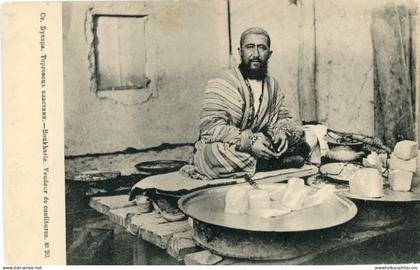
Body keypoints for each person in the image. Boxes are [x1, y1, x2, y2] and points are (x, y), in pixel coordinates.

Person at [181, 27, 309, 180]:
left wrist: (283, 133)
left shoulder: (272, 85)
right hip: (231, 146)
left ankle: (266, 159)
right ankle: (269, 163)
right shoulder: (222, 81)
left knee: (303, 137)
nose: (255, 54)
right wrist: (249, 142)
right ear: (240, 51)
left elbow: (283, 118)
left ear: (269, 54)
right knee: (211, 154)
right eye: (250, 47)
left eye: (262, 48)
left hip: (263, 143)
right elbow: (210, 128)